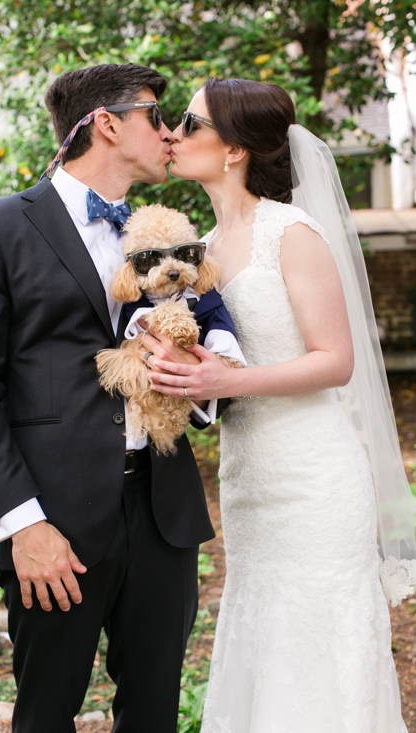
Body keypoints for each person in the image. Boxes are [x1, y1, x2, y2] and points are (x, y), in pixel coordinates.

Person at [0, 64, 222, 733]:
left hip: (162, 510)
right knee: (45, 716)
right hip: (52, 520)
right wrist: (23, 524)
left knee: (154, 714)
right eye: (157, 114)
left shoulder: (169, 232)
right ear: (108, 123)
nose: (170, 130)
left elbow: (208, 345)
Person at [145, 77, 415, 730]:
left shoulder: (292, 232)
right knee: (262, 639)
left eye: (189, 122)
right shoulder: (199, 251)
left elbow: (335, 359)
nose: (172, 135)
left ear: (234, 148)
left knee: (321, 651)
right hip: (248, 481)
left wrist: (227, 383)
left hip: (315, 481)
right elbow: (218, 361)